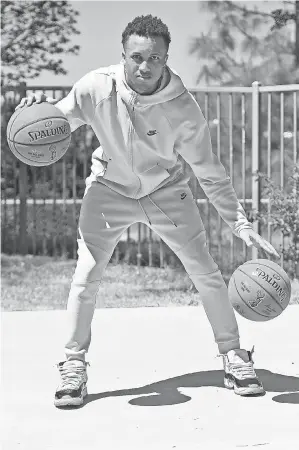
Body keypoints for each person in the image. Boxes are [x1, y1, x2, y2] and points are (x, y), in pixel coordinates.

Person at [17, 15, 279, 408]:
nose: (145, 66)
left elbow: (209, 172)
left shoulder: (183, 108)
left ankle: (234, 356)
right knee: (85, 277)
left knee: (206, 273)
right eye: (137, 56)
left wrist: (240, 224)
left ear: (166, 58)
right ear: (122, 55)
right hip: (108, 190)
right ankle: (74, 364)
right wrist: (33, 110)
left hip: (166, 191)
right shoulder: (96, 87)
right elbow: (56, 122)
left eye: (154, 57)